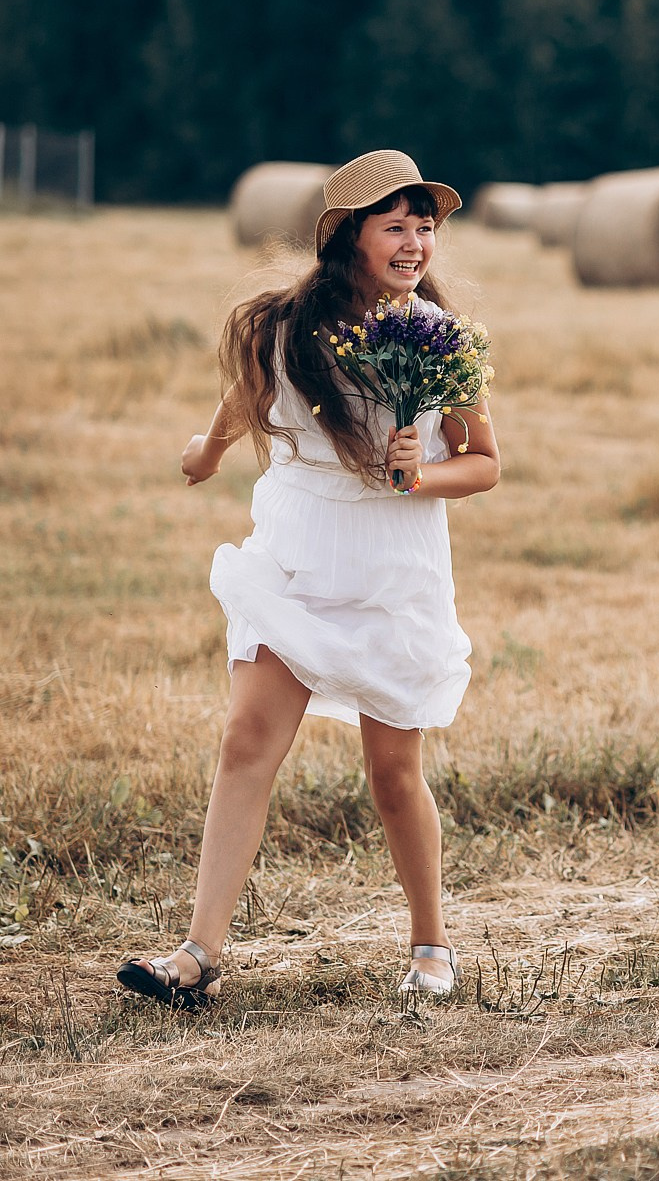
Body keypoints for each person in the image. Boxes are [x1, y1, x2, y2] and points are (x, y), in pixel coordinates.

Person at [117, 151, 500, 1007]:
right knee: (247, 739)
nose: (414, 243)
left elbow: (483, 465)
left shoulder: (443, 339)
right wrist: (208, 448)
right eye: (394, 226)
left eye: (424, 226)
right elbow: (247, 388)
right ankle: (195, 955)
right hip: (294, 548)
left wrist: (419, 474)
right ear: (349, 238)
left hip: (392, 566)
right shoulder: (285, 322)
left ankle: (432, 943)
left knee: (393, 772)